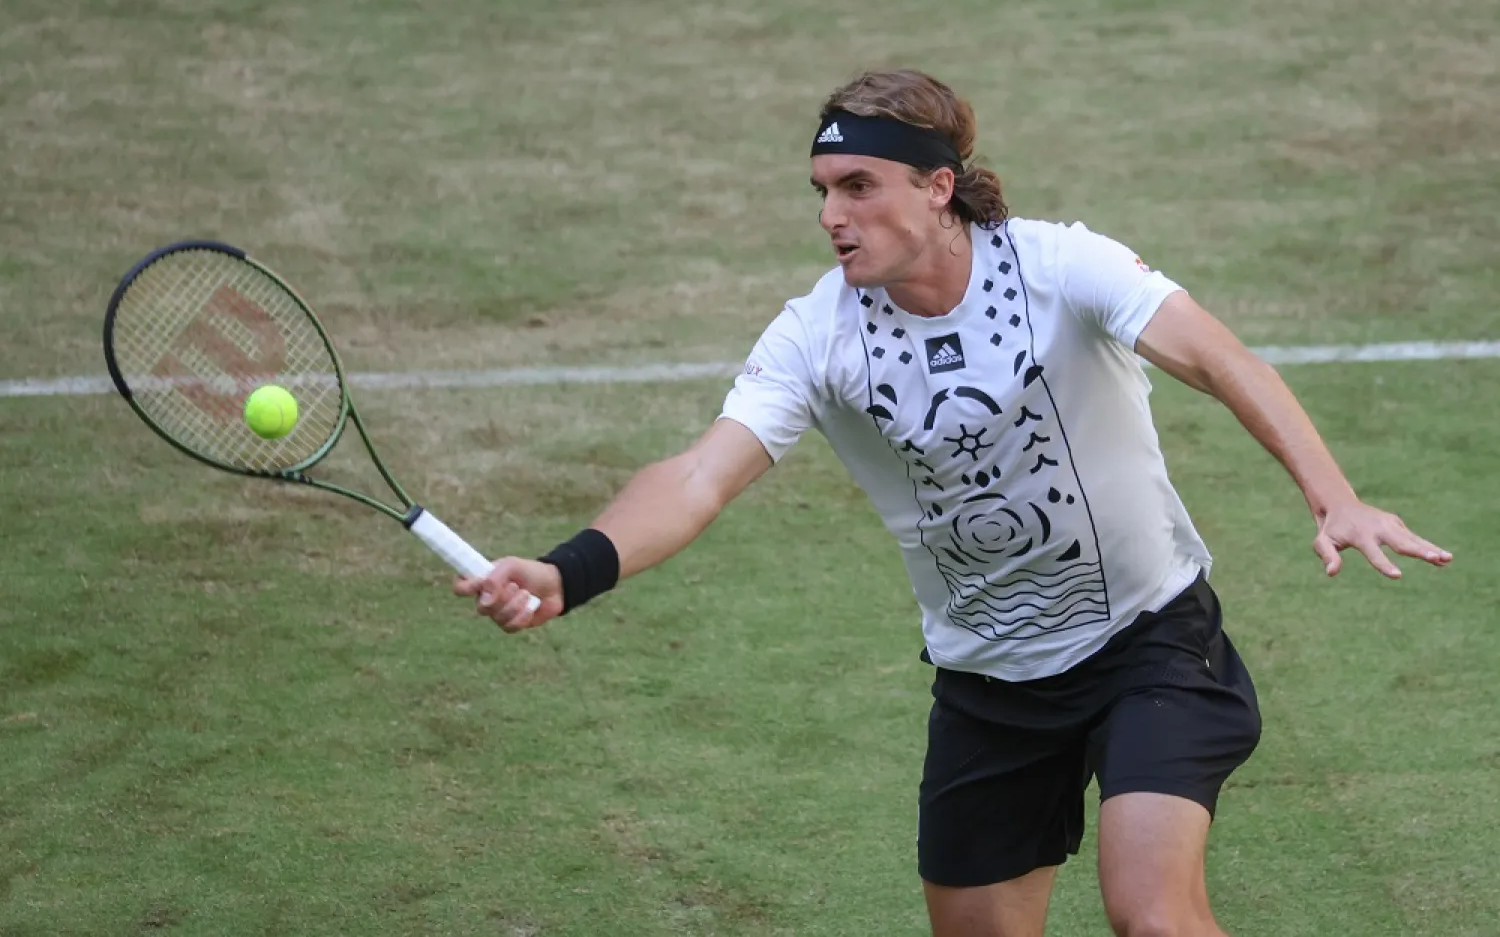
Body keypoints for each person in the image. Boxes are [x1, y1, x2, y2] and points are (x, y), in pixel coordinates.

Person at [455, 69, 1453, 937]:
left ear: (938, 188)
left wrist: (1336, 497)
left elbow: (1220, 357)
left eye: (858, 186)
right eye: (820, 191)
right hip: (990, 688)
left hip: (1147, 640)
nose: (830, 214)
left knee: (1151, 911)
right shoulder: (817, 334)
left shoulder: (1063, 265)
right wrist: (567, 568)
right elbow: (699, 474)